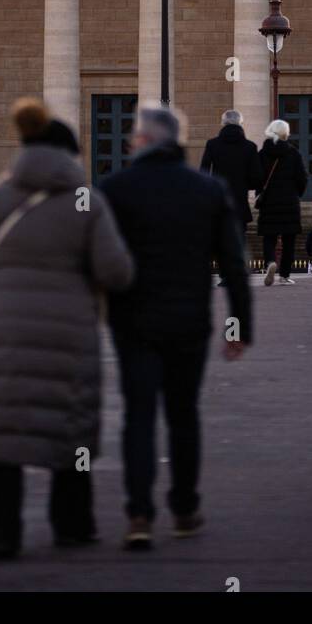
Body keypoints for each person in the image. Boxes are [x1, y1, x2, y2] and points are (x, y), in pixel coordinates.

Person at [0, 99, 133, 559]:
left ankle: (0, 535)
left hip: (1, 335)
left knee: (4, 439)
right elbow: (116, 273)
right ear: (72, 156)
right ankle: (72, 526)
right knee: (69, 432)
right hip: (70, 335)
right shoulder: (86, 201)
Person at [100, 105, 251, 550]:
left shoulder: (115, 189)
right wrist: (238, 326)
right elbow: (234, 264)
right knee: (184, 415)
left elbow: (99, 260)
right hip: (189, 320)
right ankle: (184, 508)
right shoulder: (206, 189)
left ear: (144, 141)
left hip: (133, 321)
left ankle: (140, 515)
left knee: (139, 416)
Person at [256, 119, 308, 286]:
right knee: (289, 240)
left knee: (269, 237)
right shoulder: (294, 153)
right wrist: (296, 194)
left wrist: (260, 193)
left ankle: (270, 261)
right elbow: (302, 178)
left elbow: (256, 177)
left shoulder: (262, 154)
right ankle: (284, 275)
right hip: (289, 203)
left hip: (268, 203)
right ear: (286, 134)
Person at [200, 109, 264, 232]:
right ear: (240, 123)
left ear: (223, 123)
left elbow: (204, 171)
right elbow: (257, 177)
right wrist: (246, 185)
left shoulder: (212, 144)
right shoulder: (250, 147)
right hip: (240, 200)